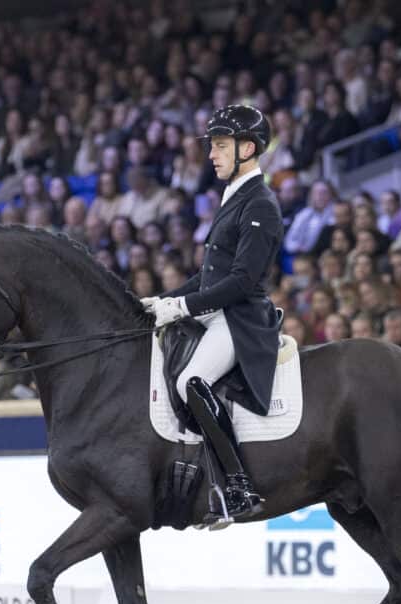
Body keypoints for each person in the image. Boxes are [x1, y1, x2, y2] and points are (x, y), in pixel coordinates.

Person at [144, 105, 282, 526]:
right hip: (214, 311)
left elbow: (240, 281)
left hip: (239, 319)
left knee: (192, 381)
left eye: (221, 146)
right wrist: (158, 302)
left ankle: (238, 485)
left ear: (248, 148)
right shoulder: (234, 196)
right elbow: (207, 276)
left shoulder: (261, 203)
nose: (211, 155)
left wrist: (182, 307)